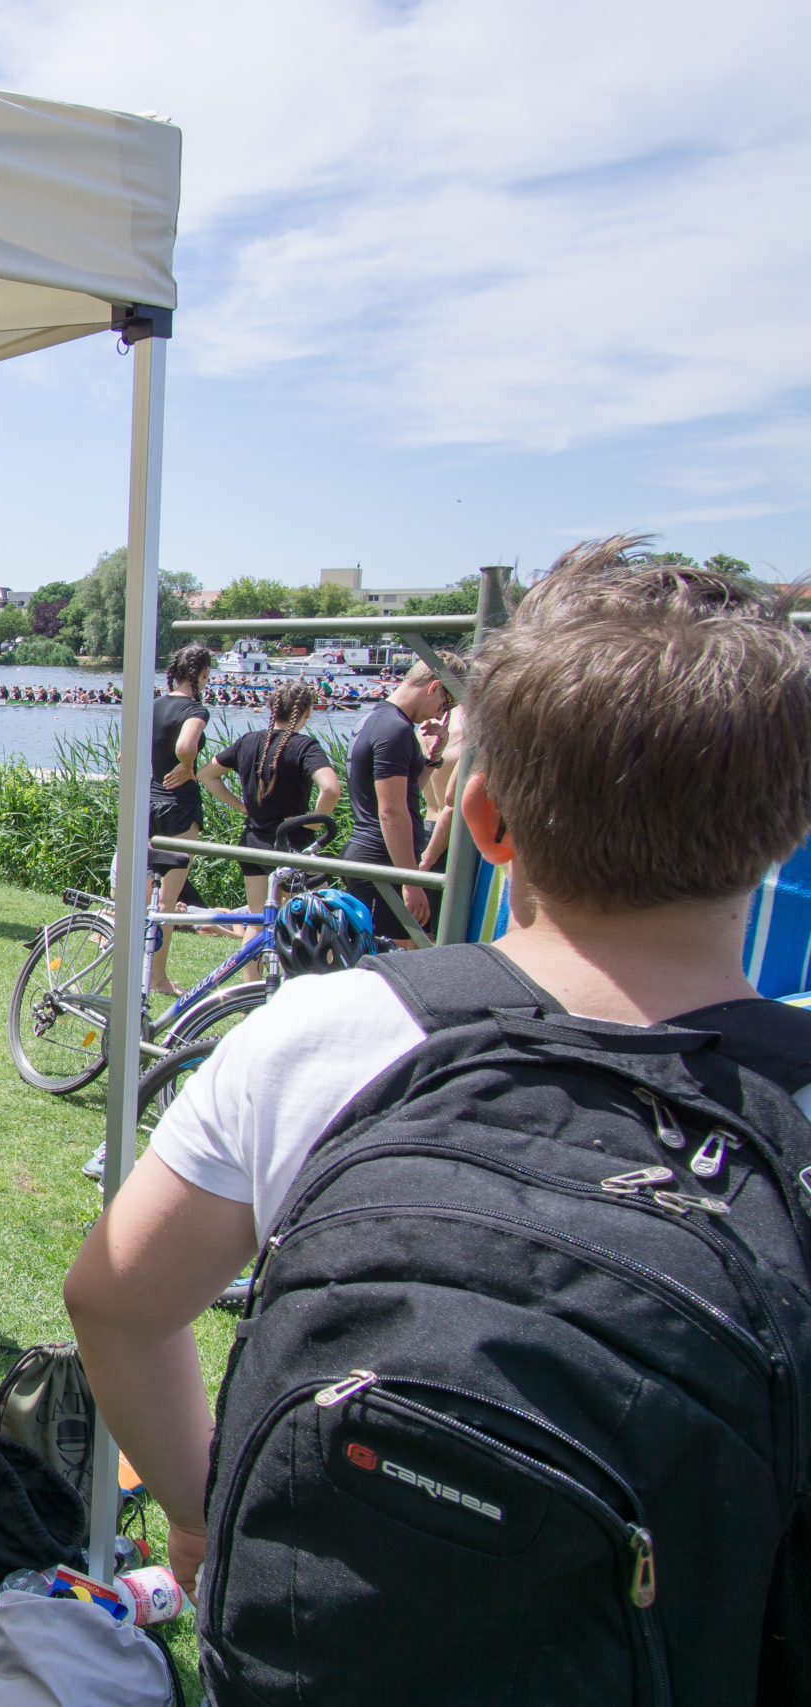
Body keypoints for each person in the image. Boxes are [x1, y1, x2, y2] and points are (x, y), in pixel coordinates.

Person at [61, 545, 811, 1622]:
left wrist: (197, 1511)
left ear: (487, 819)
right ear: (789, 826)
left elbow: (113, 1300)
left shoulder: (320, 1033)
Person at [200, 681, 342, 921]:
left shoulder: (247, 741)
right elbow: (330, 789)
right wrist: (314, 823)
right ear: (307, 712)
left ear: (270, 708)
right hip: (292, 845)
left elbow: (206, 774)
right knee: (316, 921)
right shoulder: (305, 746)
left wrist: (241, 807)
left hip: (253, 843)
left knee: (259, 922)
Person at [342, 659, 454, 945]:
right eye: (444, 705)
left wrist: (433, 758)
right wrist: (410, 881)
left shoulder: (376, 719)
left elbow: (407, 794)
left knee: (391, 954)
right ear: (435, 687)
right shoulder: (396, 729)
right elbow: (391, 811)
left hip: (371, 856)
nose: (440, 714)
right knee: (391, 960)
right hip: (382, 861)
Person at [147, 643, 215, 994]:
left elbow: (126, 755)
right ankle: (157, 978)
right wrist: (187, 765)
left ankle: (135, 971)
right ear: (203, 674)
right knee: (167, 902)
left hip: (148, 802)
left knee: (142, 897)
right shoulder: (195, 709)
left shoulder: (152, 706)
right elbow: (186, 746)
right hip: (179, 807)